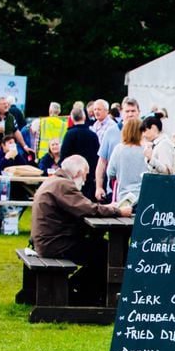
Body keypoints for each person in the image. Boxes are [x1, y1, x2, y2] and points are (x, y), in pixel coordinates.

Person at [30, 155, 132, 304]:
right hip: (55, 244)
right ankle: (81, 293)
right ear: (78, 173)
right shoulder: (64, 185)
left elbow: (83, 207)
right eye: (85, 174)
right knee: (109, 253)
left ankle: (83, 290)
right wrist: (117, 211)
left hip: (49, 240)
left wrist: (107, 209)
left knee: (102, 250)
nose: (85, 180)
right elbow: (87, 209)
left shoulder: (54, 181)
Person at [95, 97, 140, 202]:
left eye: (133, 111)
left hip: (140, 192)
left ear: (139, 112)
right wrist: (98, 187)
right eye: (127, 111)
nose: (130, 114)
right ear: (121, 112)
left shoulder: (145, 132)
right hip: (115, 190)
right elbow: (102, 162)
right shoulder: (111, 132)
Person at [105, 117, 148, 206]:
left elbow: (110, 173)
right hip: (143, 196)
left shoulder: (118, 149)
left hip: (124, 198)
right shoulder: (147, 150)